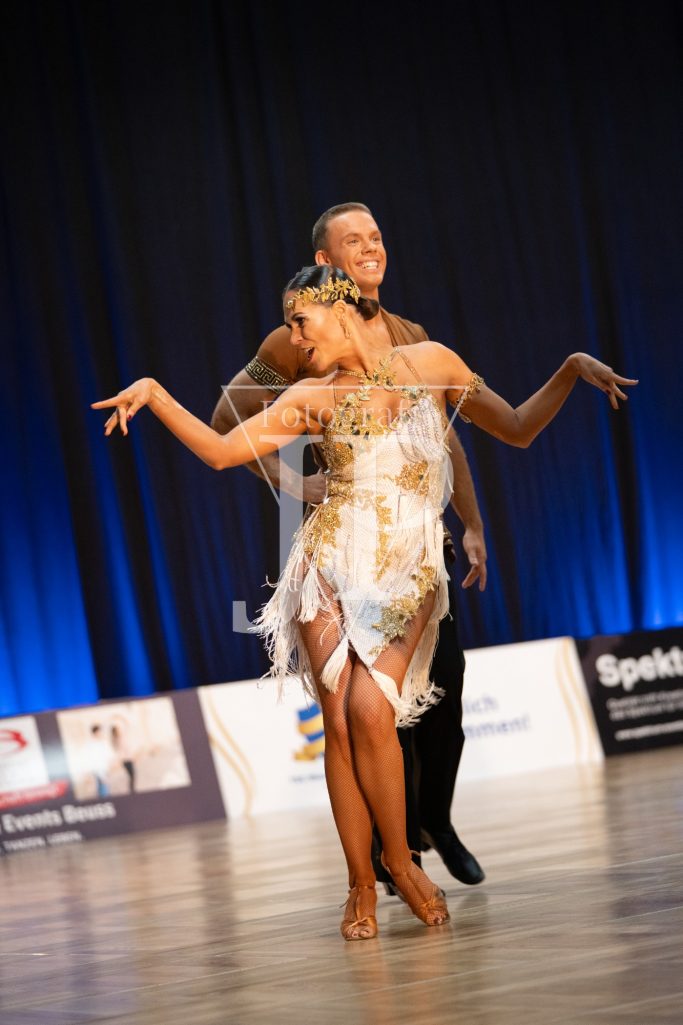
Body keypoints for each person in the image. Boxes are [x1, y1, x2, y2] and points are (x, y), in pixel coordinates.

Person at [92, 265, 636, 941]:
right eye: (289, 325)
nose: (294, 338)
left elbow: (518, 427)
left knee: (371, 708)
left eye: (300, 321)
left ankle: (399, 861)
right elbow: (224, 450)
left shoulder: (431, 363)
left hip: (407, 562)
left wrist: (571, 368)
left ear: (341, 309)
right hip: (327, 559)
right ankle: (359, 882)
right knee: (340, 721)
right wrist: (154, 393)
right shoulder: (311, 394)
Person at [211, 202, 487, 889]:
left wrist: (472, 521)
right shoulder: (293, 340)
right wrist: (289, 481)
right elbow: (228, 416)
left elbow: (445, 435)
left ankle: (434, 821)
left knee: (444, 692)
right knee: (367, 711)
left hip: (417, 545)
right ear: (325, 262)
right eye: (353, 240)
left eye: (377, 236)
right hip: (348, 546)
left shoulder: (411, 337)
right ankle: (393, 857)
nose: (371, 248)